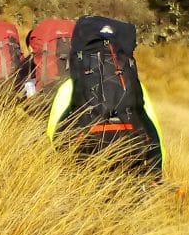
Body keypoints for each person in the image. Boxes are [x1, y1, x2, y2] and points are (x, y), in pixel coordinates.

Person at [46, 15, 164, 179]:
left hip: (81, 168)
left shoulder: (71, 85)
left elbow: (53, 133)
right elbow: (152, 129)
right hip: (131, 163)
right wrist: (156, 174)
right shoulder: (134, 85)